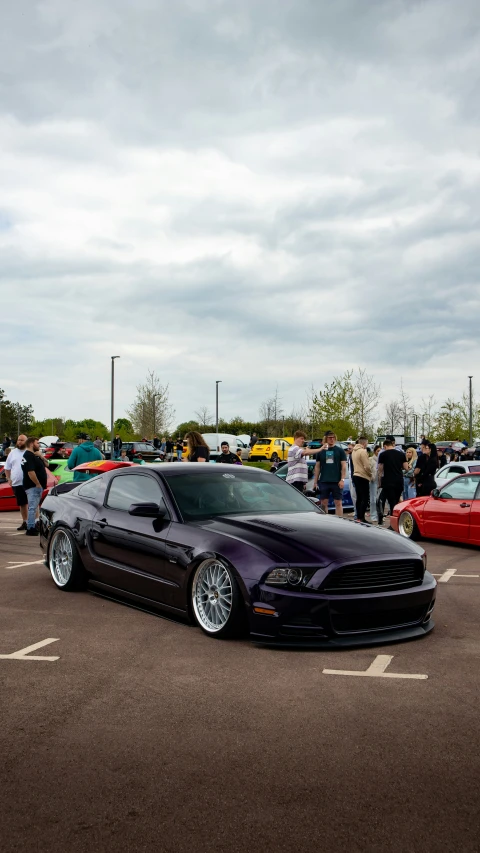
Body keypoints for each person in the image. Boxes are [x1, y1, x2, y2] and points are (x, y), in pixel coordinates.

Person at [312, 430, 347, 516]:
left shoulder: (340, 451)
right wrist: (315, 482)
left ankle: (340, 522)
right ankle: (325, 522)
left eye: (333, 437)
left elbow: (344, 466)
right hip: (324, 481)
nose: (332, 439)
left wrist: (342, 479)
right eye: (330, 437)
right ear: (326, 439)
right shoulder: (321, 451)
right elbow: (317, 467)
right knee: (324, 502)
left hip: (337, 481)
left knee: (338, 502)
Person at [21, 436, 48, 536]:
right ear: (32, 444)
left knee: (34, 507)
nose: (39, 445)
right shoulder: (29, 456)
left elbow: (47, 464)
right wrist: (37, 484)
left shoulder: (34, 456)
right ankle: (30, 528)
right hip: (33, 486)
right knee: (32, 507)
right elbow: (30, 472)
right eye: (37, 443)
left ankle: (32, 526)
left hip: (36, 486)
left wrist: (41, 456)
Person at [377, 439, 408, 522]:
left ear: (385, 446)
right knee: (396, 500)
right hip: (398, 481)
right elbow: (406, 467)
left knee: (389, 502)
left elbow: (380, 470)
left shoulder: (383, 454)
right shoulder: (401, 454)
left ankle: (389, 521)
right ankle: (394, 520)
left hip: (388, 481)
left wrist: (379, 482)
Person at [4, 434, 29, 530]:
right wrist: (8, 479)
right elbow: (7, 468)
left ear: (26, 442)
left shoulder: (29, 452)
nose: (19, 442)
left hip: (29, 483)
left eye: (22, 440)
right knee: (22, 503)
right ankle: (25, 522)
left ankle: (35, 522)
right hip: (17, 483)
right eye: (18, 440)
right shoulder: (12, 453)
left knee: (32, 503)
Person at [352, 437, 372, 523]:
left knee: (359, 498)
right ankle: (362, 517)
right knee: (365, 497)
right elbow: (367, 466)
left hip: (355, 474)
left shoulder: (354, 451)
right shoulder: (363, 451)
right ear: (364, 443)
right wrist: (370, 474)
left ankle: (358, 517)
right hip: (363, 476)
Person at [368, 446, 381, 523]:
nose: (379, 452)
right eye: (377, 451)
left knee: (380, 499)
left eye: (380, 451)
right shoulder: (371, 459)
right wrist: (372, 477)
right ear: (375, 451)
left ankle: (380, 515)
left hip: (381, 480)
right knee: (373, 499)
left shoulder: (382, 459)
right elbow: (368, 469)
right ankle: (373, 515)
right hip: (373, 480)